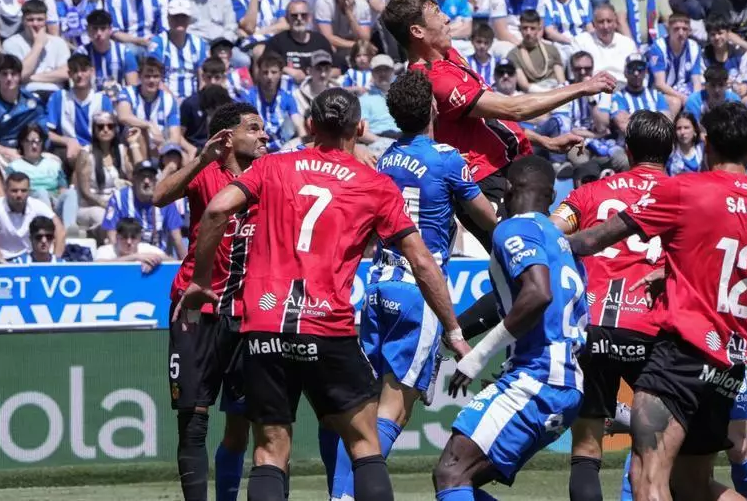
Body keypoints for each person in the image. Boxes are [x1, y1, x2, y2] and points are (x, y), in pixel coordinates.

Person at [178, 88, 467, 501]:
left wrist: (202, 279)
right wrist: (453, 330)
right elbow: (422, 262)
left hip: (265, 328)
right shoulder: (375, 184)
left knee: (270, 450)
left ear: (311, 125)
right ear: (360, 128)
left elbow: (216, 209)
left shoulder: (272, 166)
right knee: (364, 443)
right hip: (327, 327)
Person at [562, 101, 747, 501]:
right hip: (727, 365)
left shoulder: (686, 190)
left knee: (647, 480)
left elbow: (593, 239)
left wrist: (534, 241)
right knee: (694, 486)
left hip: (681, 357)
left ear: (706, 144)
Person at [327, 71, 498, 501]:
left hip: (378, 285)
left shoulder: (386, 158)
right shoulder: (446, 158)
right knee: (393, 412)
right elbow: (486, 217)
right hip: (418, 290)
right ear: (434, 109)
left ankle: (339, 494)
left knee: (362, 412)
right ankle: (346, 497)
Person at [380, 0, 615, 253]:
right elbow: (513, 109)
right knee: (526, 258)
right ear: (417, 31)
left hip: (508, 167)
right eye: (436, 13)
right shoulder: (435, 79)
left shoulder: (448, 56)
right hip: (485, 183)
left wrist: (543, 140)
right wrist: (582, 87)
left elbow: (488, 119)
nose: (447, 18)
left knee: (541, 252)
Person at [435, 155, 588, 499]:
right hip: (561, 381)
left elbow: (538, 294)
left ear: (505, 189)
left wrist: (477, 358)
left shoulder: (512, 228)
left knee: (451, 473)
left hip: (537, 379)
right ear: (552, 196)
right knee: (462, 476)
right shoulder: (559, 241)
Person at [548, 111, 672, 501]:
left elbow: (549, 232)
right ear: (670, 151)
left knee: (586, 450)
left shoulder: (591, 192)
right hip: (651, 328)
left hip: (593, 323)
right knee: (655, 447)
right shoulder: (683, 193)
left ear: (628, 150)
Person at [153, 102, 268, 501]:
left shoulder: (270, 174)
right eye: (253, 128)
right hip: (195, 307)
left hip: (245, 313)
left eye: (263, 128)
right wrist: (202, 158)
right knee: (193, 419)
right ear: (227, 137)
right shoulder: (207, 172)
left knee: (242, 423)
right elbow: (159, 196)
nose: (263, 135)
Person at [102, 160, 187, 258]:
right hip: (127, 258)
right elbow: (112, 236)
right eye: (142, 177)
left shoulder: (165, 201)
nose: (146, 181)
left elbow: (177, 238)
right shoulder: (118, 199)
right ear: (134, 179)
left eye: (150, 177)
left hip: (158, 258)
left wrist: (186, 264)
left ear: (155, 180)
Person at [0, 171, 65, 264]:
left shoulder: (37, 205)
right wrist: (3, 263)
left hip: (26, 261)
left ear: (29, 191)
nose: (19, 195)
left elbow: (60, 230)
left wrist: (55, 262)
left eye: (23, 191)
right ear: (6, 190)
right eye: (14, 191)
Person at [0, 54, 46, 164]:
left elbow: (44, 132)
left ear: (19, 77)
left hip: (32, 149)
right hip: (3, 153)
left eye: (13, 74)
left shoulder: (33, 101)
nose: (9, 78)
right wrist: (6, 152)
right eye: (4, 74)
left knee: (54, 161)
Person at [95, 216, 168, 272]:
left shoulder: (146, 248)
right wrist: (134, 257)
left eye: (133, 238)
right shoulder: (106, 250)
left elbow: (171, 260)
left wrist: (153, 261)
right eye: (124, 237)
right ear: (117, 237)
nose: (129, 242)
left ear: (139, 238)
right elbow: (97, 265)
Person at [667, 111, 703, 176]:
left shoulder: (702, 150)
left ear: (695, 130)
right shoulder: (669, 153)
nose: (682, 132)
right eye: (679, 128)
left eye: (686, 128)